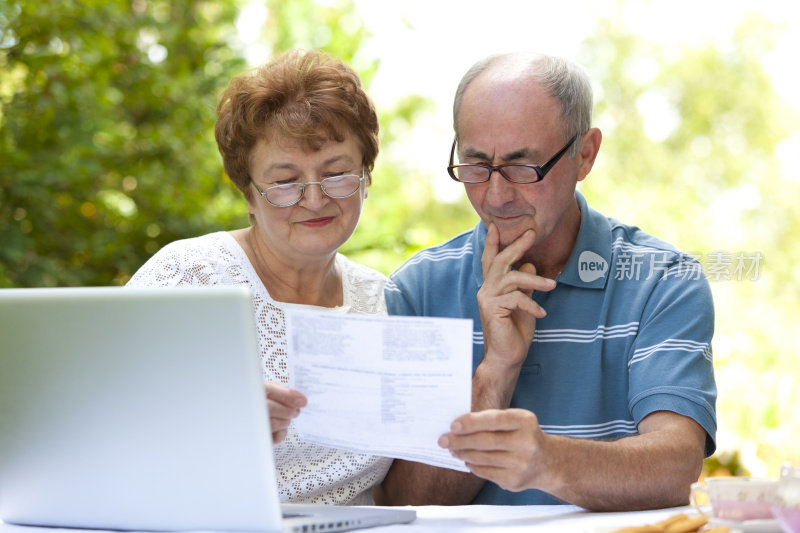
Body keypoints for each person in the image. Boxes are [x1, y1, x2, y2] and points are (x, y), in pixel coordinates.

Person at [379, 52, 717, 511]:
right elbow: (401, 502)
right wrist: (496, 371)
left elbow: (677, 466)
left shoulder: (662, 280)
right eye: (476, 166)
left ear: (586, 154)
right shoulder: (415, 291)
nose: (495, 196)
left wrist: (547, 461)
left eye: (523, 167)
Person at [126, 49, 392, 505]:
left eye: (337, 173)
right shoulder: (187, 278)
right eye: (286, 181)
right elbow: (100, 434)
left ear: (365, 177)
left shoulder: (385, 301)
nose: (314, 199)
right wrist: (216, 424)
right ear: (248, 193)